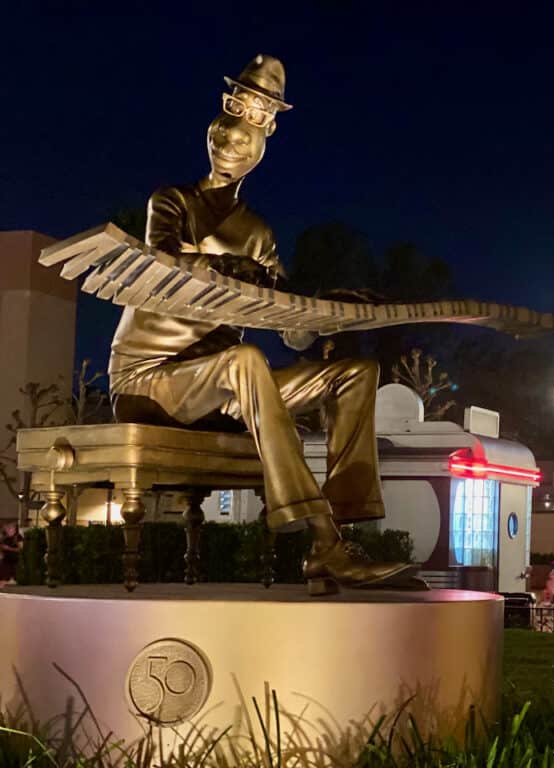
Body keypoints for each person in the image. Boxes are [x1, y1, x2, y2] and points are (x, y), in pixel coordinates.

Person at [106, 55, 411, 593]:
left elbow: (288, 327)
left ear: (267, 135)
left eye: (248, 133)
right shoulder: (172, 202)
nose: (232, 143)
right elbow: (165, 266)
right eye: (227, 130)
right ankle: (325, 543)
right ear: (216, 125)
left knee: (357, 371)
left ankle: (346, 522)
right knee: (247, 360)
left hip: (222, 385)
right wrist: (234, 269)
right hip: (151, 379)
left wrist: (324, 309)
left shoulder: (260, 233)